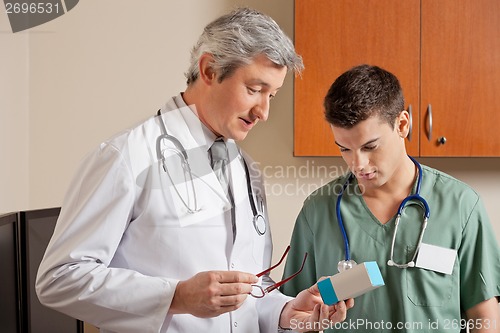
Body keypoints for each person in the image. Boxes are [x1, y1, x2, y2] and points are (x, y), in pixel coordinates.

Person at [35, 7, 353, 333]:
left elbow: (249, 288)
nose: (264, 111)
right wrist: (176, 296)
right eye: (254, 90)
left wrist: (286, 312)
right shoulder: (127, 156)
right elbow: (59, 278)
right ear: (210, 69)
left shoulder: (247, 170)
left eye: (272, 95)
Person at [280, 64, 500, 332]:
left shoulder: (461, 205)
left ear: (403, 124)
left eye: (370, 146)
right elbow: (293, 313)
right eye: (344, 149)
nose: (358, 164)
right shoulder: (317, 211)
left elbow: (483, 316)